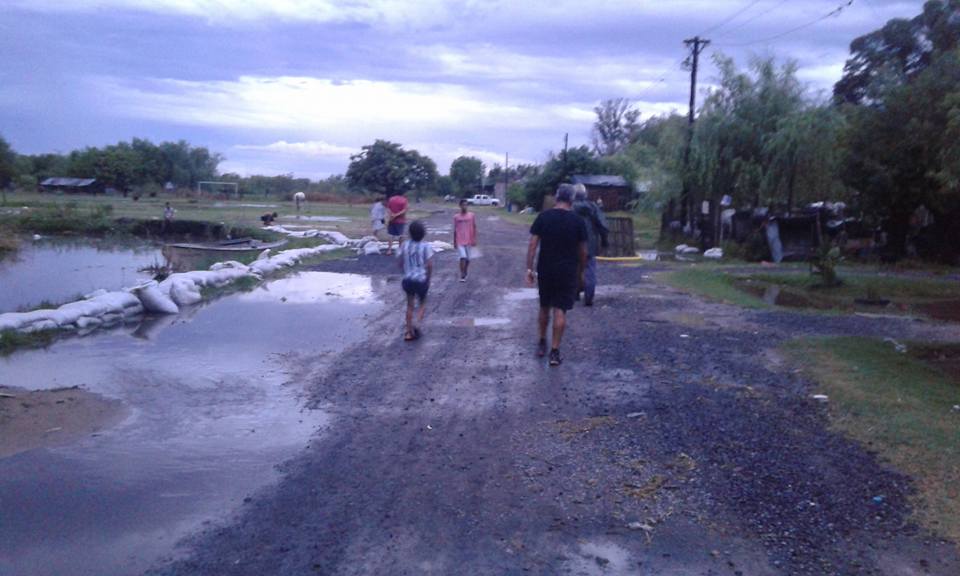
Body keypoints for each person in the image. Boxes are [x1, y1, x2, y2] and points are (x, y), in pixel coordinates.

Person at [526, 184, 587, 366]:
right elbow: (583, 251)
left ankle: (541, 342)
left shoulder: (543, 217)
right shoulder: (578, 221)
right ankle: (554, 351)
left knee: (544, 307)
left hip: (546, 269)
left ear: (557, 198)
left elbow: (532, 245)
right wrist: (581, 272)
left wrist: (529, 269)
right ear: (572, 200)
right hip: (567, 271)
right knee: (560, 310)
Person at [572, 184, 609, 306]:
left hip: (572, 243)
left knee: (574, 268)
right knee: (590, 269)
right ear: (585, 194)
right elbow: (602, 225)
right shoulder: (593, 207)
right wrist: (604, 240)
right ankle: (589, 297)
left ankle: (574, 294)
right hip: (589, 244)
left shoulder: (569, 207)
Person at [398, 220, 434, 341]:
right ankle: (417, 323)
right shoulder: (426, 246)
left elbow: (400, 262)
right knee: (422, 303)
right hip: (421, 280)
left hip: (408, 279)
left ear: (410, 233)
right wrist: (428, 278)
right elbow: (429, 265)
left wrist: (405, 270)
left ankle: (408, 332)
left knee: (409, 305)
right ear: (423, 233)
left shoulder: (405, 245)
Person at [453, 198, 478, 282]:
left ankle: (465, 271)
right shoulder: (456, 217)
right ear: (460, 206)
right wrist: (454, 241)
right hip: (459, 240)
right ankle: (462, 275)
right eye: (463, 205)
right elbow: (455, 229)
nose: (464, 207)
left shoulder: (471, 216)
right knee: (462, 257)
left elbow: (474, 227)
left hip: (469, 240)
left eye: (466, 205)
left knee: (468, 259)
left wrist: (474, 239)